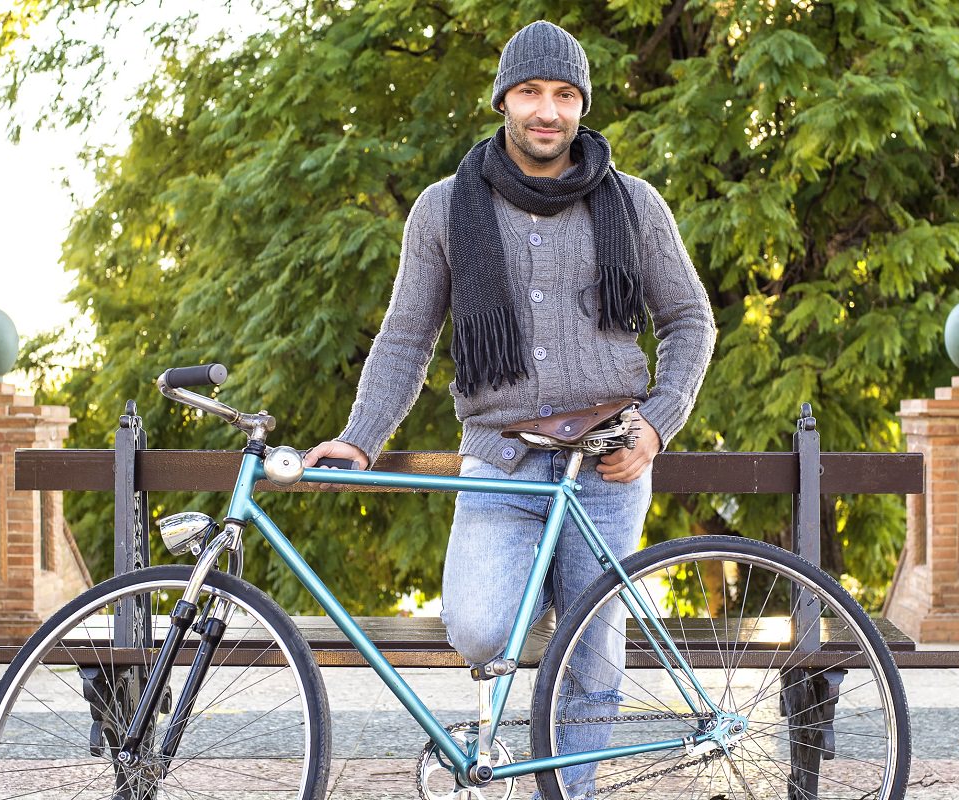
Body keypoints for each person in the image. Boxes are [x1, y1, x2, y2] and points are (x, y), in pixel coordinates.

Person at [304, 19, 716, 796]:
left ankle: (568, 789)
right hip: (502, 457)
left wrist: (659, 421)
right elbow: (405, 339)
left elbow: (690, 320)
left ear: (583, 105)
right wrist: (360, 440)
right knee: (481, 627)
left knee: (592, 647)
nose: (547, 111)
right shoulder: (442, 209)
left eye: (564, 95)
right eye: (530, 92)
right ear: (503, 99)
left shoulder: (634, 204)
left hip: (609, 457)